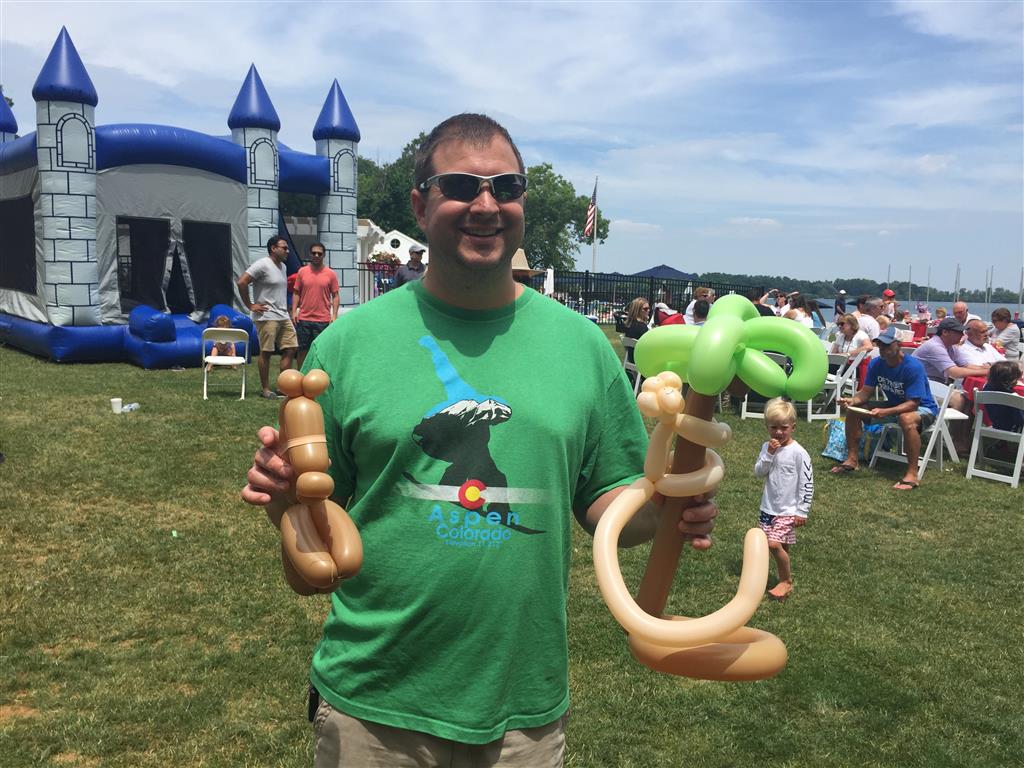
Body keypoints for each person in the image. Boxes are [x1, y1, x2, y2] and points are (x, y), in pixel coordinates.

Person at [241, 113, 718, 766]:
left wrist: (666, 504)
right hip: (375, 712)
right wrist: (282, 502)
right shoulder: (347, 347)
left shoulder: (582, 348)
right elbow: (315, 543)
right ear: (420, 205)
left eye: (507, 187)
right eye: (462, 186)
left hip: (522, 719)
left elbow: (610, 504)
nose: (487, 205)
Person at [831, 326, 938, 490]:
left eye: (887, 345)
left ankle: (912, 474)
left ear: (899, 344)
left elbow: (913, 404)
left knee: (906, 418)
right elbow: (865, 393)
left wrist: (885, 412)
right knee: (854, 410)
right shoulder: (876, 364)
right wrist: (852, 400)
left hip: (924, 408)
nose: (882, 348)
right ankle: (852, 459)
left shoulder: (912, 367)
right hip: (895, 405)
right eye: (880, 344)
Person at [754, 398, 812, 601]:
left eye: (784, 428)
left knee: (773, 545)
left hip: (788, 510)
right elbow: (759, 472)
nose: (778, 432)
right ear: (767, 427)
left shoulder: (799, 453)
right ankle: (781, 578)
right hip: (768, 508)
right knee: (780, 546)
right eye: (774, 427)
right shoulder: (767, 447)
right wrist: (769, 454)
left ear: (793, 427)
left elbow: (807, 483)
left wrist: (802, 511)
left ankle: (786, 581)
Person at [236, 235, 298, 399]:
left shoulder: (283, 267)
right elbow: (242, 282)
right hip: (266, 316)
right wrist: (250, 305)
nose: (287, 251)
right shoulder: (262, 264)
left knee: (291, 349)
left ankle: (283, 387)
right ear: (273, 248)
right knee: (267, 352)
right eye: (284, 248)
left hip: (283, 315)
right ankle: (265, 389)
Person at [291, 242, 339, 369]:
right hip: (304, 319)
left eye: (319, 253)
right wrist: (294, 311)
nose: (316, 255)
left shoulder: (330, 274)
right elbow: (296, 292)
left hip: (323, 320)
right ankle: (302, 375)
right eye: (314, 253)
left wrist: (334, 315)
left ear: (324, 255)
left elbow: (335, 295)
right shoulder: (302, 272)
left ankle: (320, 375)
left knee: (322, 350)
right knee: (302, 350)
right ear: (310, 254)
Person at [982, 361, 1024, 433]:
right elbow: (1020, 420)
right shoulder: (1014, 398)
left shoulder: (986, 388)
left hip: (995, 424)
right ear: (1013, 379)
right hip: (1014, 429)